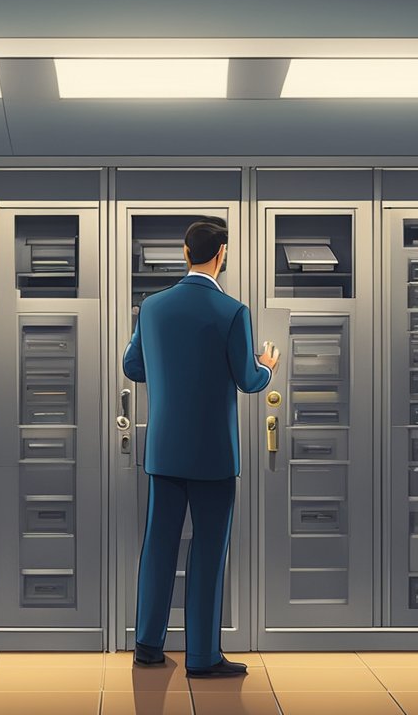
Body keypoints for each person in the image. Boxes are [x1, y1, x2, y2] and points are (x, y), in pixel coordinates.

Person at [122, 216, 280, 678]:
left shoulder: (151, 307)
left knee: (159, 545)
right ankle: (202, 656)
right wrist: (267, 365)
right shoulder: (233, 312)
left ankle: (148, 646)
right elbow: (249, 381)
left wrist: (171, 366)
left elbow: (133, 366)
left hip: (165, 449)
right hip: (213, 454)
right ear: (221, 255)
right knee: (208, 550)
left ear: (185, 254)